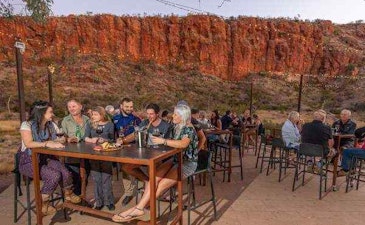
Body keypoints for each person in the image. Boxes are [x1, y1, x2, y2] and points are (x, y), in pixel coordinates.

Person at [112, 104, 198, 223]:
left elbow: (183, 144)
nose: (173, 115)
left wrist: (163, 141)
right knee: (153, 179)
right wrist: (124, 140)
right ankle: (139, 208)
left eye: (176, 114)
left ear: (183, 116)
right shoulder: (175, 125)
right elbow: (137, 133)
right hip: (174, 159)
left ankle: (138, 208)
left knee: (161, 184)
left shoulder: (189, 128)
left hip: (187, 163)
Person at [19, 100, 80, 215]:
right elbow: (28, 143)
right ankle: (44, 205)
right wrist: (47, 143)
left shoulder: (51, 124)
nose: (52, 114)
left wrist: (66, 139)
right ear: (42, 113)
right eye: (50, 112)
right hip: (29, 161)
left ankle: (68, 193)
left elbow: (58, 137)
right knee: (54, 175)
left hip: (46, 158)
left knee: (65, 172)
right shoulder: (26, 125)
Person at [119, 103, 173, 182]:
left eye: (151, 114)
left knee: (152, 167)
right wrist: (123, 140)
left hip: (160, 156)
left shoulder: (166, 126)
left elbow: (170, 143)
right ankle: (147, 181)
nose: (149, 116)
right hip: (145, 155)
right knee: (126, 167)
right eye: (147, 114)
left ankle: (153, 187)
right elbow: (135, 134)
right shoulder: (145, 123)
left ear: (157, 114)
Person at [84, 106, 115, 210]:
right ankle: (99, 202)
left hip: (106, 154)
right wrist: (92, 140)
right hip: (94, 153)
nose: (93, 116)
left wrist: (105, 140)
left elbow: (112, 139)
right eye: (93, 114)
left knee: (106, 178)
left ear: (102, 115)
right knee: (96, 179)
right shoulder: (90, 124)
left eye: (96, 114)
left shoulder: (110, 124)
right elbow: (86, 137)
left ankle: (109, 201)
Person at [112, 97, 142, 206]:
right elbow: (112, 133)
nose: (129, 109)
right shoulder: (115, 119)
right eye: (127, 106)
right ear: (121, 106)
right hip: (121, 149)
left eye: (131, 107)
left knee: (136, 169)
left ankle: (144, 189)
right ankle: (129, 193)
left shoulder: (136, 119)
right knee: (124, 171)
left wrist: (125, 140)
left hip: (135, 149)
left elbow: (137, 134)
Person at [61, 99, 90, 195]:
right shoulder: (66, 120)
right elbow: (62, 135)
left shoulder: (87, 119)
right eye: (69, 107)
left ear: (80, 106)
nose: (71, 109)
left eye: (73, 106)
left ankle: (82, 199)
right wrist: (68, 139)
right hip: (72, 155)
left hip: (87, 154)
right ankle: (77, 200)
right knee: (76, 178)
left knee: (85, 178)